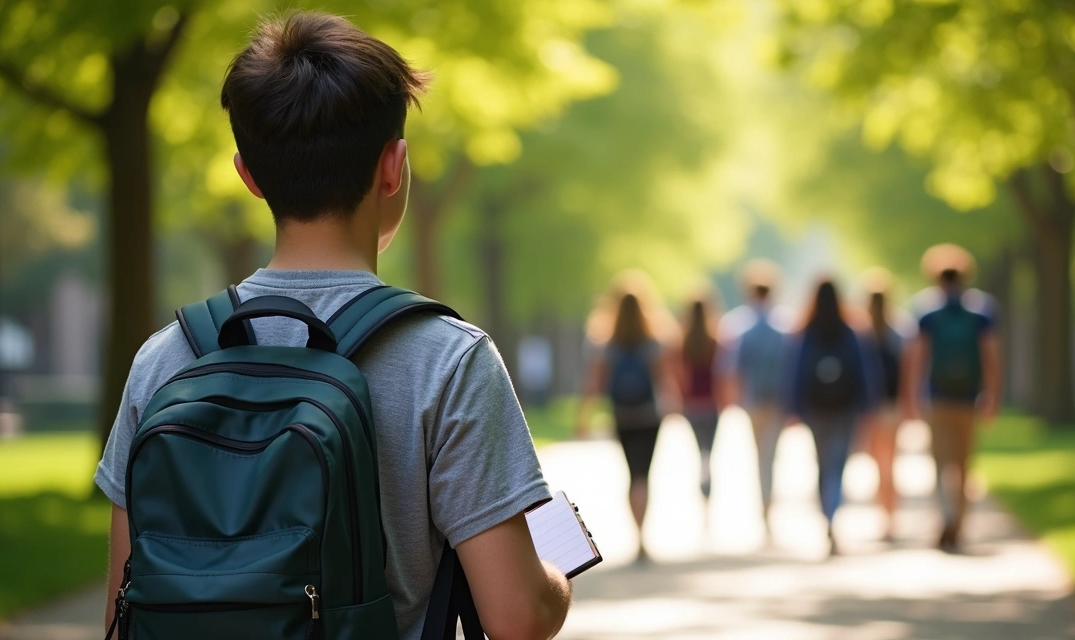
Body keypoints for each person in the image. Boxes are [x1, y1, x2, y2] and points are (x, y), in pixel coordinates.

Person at [94, 13, 570, 639]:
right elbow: (517, 619)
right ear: (394, 166)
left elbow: (122, 612)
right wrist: (554, 570)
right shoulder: (448, 360)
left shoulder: (166, 359)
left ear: (249, 176)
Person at [903, 244, 1002, 553]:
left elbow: (917, 358)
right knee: (963, 465)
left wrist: (911, 396)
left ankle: (945, 516)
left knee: (940, 463)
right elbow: (991, 357)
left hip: (937, 399)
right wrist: (993, 395)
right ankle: (958, 522)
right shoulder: (982, 311)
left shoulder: (926, 311)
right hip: (969, 399)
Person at [576, 271, 680, 563]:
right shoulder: (653, 340)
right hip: (649, 415)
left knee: (630, 472)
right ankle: (642, 537)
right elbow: (663, 379)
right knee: (643, 475)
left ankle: (638, 536)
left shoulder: (605, 342)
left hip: (622, 414)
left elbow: (594, 383)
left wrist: (583, 416)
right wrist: (674, 406)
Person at [784, 279, 882, 557]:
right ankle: (833, 512)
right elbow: (865, 372)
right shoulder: (851, 332)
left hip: (816, 409)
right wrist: (868, 407)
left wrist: (793, 408)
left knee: (822, 463)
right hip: (845, 408)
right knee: (838, 463)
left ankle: (827, 513)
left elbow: (795, 373)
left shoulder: (805, 332)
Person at [717, 260, 793, 541]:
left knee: (758, 455)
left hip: (751, 401)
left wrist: (729, 401)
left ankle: (765, 510)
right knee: (770, 457)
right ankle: (767, 509)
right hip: (777, 401)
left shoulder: (738, 324)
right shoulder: (786, 324)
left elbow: (730, 368)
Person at [856, 268, 910, 542]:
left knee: (879, 465)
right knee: (891, 464)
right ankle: (891, 518)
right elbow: (908, 371)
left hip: (871, 409)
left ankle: (884, 517)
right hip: (893, 407)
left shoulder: (860, 333)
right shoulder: (900, 331)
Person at [677, 294, 723, 502]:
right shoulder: (715, 340)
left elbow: (680, 375)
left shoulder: (683, 342)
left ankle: (704, 481)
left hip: (693, 405)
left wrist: (682, 398)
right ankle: (707, 482)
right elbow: (722, 374)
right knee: (708, 449)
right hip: (711, 403)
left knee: (700, 448)